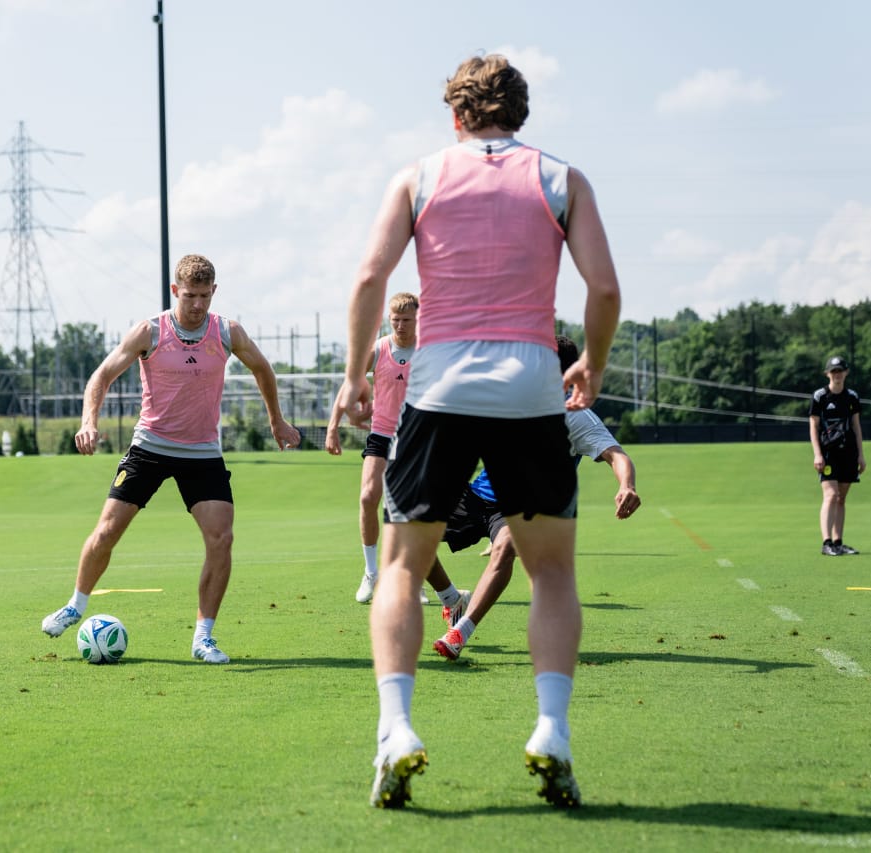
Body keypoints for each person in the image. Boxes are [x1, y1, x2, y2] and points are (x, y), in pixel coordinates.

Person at [336, 54, 620, 810]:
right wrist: (591, 362)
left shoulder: (419, 177)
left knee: (401, 568)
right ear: (520, 112)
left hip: (439, 386)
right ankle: (551, 729)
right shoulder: (562, 179)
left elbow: (369, 278)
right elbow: (604, 287)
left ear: (456, 114)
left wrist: (355, 376)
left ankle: (396, 729)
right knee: (551, 571)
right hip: (531, 385)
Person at [39, 254, 301, 663]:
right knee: (107, 530)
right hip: (150, 447)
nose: (197, 304)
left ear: (214, 292)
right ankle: (75, 605)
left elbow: (262, 369)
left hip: (202, 452)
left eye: (205, 296)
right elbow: (102, 375)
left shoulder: (226, 332)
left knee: (222, 538)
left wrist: (277, 421)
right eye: (190, 295)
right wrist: (89, 421)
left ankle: (203, 637)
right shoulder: (151, 332)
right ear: (175, 291)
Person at [431, 336, 642, 661]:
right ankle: (452, 600)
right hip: (479, 495)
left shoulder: (576, 415)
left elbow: (616, 455)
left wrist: (627, 485)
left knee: (504, 548)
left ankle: (460, 632)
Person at [326, 292, 470, 617]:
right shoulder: (378, 350)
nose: (400, 325)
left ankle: (422, 583)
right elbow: (350, 384)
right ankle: (371, 573)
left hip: (416, 441)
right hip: (381, 434)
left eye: (406, 320)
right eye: (395, 320)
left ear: (417, 320)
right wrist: (333, 426)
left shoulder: (429, 353)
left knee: (407, 516)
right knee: (368, 498)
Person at [810, 355, 865, 556]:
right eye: (833, 371)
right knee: (831, 495)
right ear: (827, 374)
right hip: (828, 453)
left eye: (840, 371)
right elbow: (813, 425)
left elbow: (856, 426)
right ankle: (826, 543)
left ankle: (838, 542)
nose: (837, 374)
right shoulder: (820, 396)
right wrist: (817, 454)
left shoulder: (852, 397)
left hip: (848, 452)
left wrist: (861, 455)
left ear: (846, 372)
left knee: (841, 498)